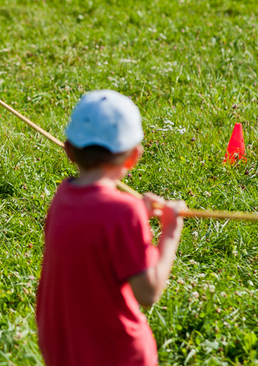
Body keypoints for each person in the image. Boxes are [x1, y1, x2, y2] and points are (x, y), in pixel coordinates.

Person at [36, 90, 186, 366]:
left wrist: (136, 213)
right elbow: (148, 292)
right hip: (118, 353)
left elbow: (91, 230)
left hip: (65, 347)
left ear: (68, 150)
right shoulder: (123, 214)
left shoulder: (64, 196)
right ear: (134, 157)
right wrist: (170, 233)